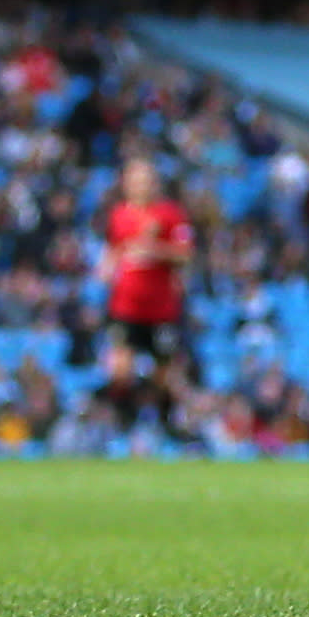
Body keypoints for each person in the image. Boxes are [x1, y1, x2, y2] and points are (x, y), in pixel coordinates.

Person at [97, 153, 194, 436]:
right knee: (120, 369)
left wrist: (156, 250)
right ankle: (120, 425)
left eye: (145, 180)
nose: (140, 185)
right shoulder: (119, 215)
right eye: (135, 180)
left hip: (161, 308)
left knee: (165, 375)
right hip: (125, 306)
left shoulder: (170, 214)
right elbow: (115, 251)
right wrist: (107, 265)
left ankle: (164, 422)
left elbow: (186, 254)